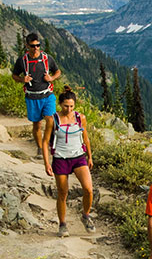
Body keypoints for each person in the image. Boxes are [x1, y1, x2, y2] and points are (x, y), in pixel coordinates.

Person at [11, 32, 61, 184]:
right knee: (37, 124)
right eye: (33, 46)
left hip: (47, 95)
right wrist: (22, 79)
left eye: (38, 45)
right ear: (27, 46)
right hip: (32, 96)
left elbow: (57, 71)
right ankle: (40, 148)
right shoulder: (23, 61)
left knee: (50, 120)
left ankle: (48, 144)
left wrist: (51, 78)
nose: (36, 48)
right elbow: (14, 75)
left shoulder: (46, 58)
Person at [46, 86, 96, 237]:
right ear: (60, 104)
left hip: (78, 156)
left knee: (88, 189)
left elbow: (85, 137)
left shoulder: (81, 118)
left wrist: (90, 156)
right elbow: (45, 141)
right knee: (63, 192)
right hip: (61, 158)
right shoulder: (53, 119)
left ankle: (86, 215)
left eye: (72, 106)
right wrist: (47, 162)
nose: (69, 109)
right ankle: (62, 224)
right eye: (66, 106)